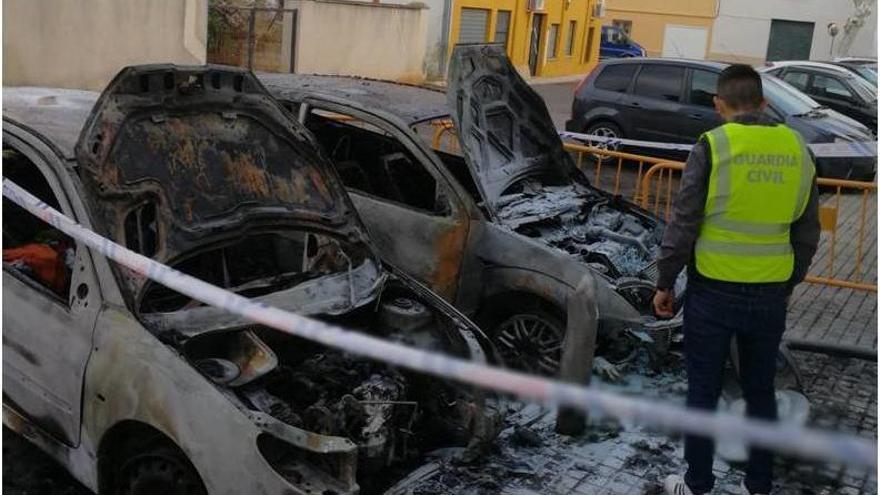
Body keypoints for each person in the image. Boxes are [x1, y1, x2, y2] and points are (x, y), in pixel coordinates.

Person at [652, 64, 820, 495]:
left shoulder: (712, 146)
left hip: (713, 294)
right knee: (761, 392)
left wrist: (665, 281)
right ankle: (758, 486)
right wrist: (788, 280)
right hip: (769, 296)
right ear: (765, 104)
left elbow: (683, 223)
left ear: (717, 104)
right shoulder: (797, 148)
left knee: (703, 392)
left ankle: (697, 484)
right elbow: (807, 230)